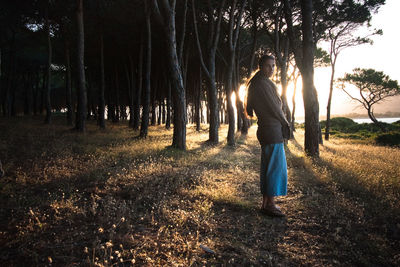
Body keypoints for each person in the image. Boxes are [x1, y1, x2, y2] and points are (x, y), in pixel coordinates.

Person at [245, 55, 290, 217]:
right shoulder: (263, 84)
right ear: (260, 67)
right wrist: (286, 123)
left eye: (273, 66)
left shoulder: (258, 83)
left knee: (269, 168)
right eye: (268, 66)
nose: (271, 69)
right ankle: (270, 204)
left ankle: (265, 204)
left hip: (267, 129)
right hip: (271, 130)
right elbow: (276, 109)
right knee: (275, 168)